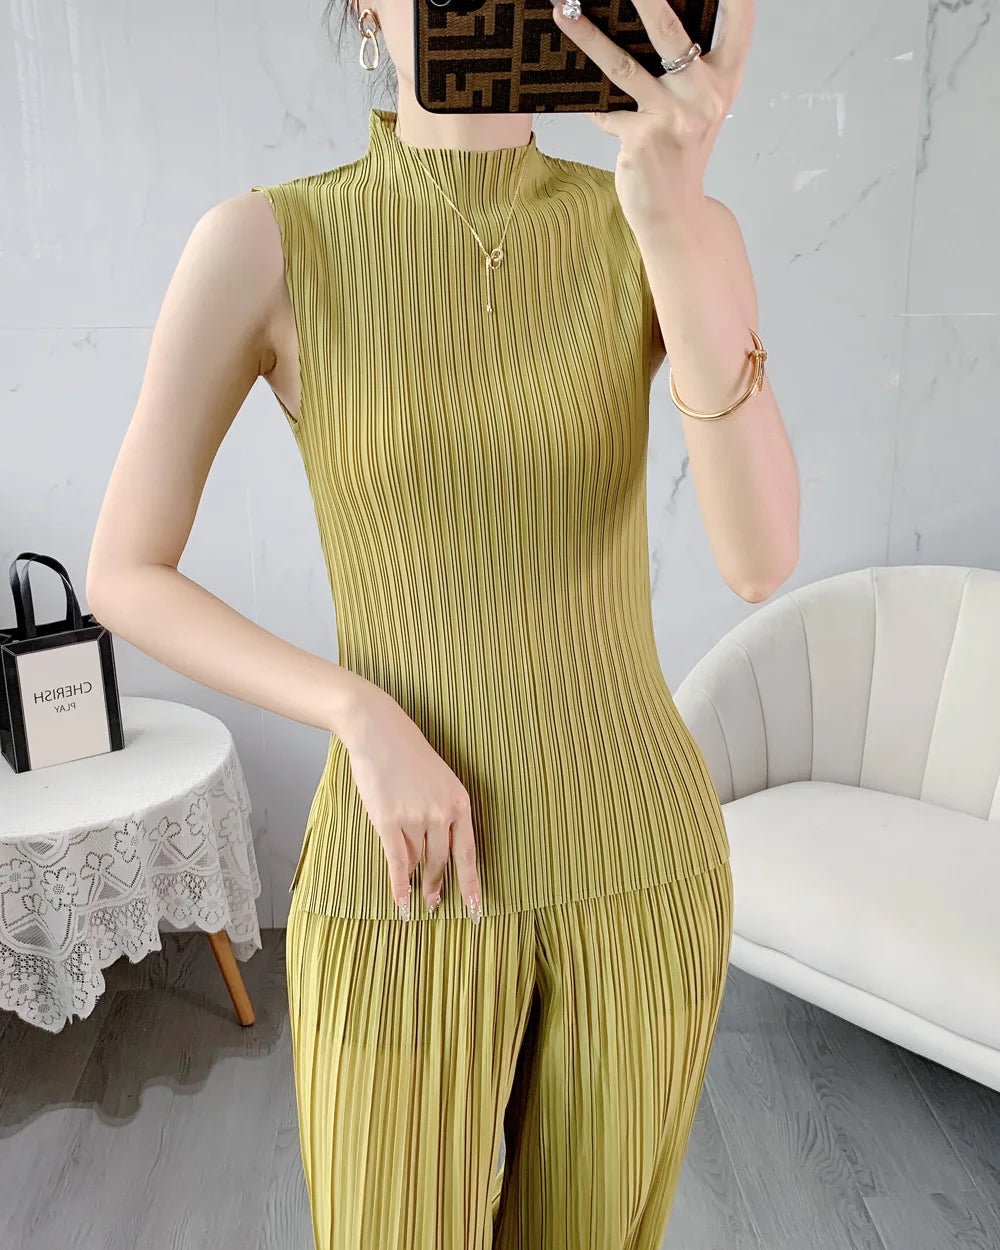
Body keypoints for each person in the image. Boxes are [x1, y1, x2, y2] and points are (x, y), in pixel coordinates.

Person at [87, 0, 798, 1245]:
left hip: (638, 862)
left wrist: (672, 215)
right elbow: (124, 570)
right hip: (400, 877)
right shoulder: (267, 242)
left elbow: (758, 558)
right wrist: (353, 708)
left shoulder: (664, 224)